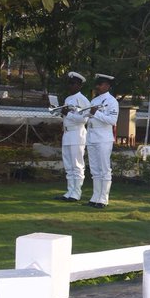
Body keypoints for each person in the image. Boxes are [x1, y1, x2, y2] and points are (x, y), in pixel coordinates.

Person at [85, 73, 120, 209]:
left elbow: (112, 120)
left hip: (103, 138)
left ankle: (103, 199)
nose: (98, 86)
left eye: (100, 84)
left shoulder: (112, 101)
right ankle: (95, 197)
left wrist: (96, 113)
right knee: (94, 169)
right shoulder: (94, 100)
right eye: (97, 84)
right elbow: (89, 117)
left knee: (104, 169)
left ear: (107, 86)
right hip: (92, 136)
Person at [55, 71, 90, 203]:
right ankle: (70, 191)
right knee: (68, 165)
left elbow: (84, 119)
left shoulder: (83, 100)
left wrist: (68, 114)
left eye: (73, 83)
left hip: (77, 133)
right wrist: (60, 112)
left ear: (79, 85)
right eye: (69, 83)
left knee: (77, 165)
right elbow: (67, 116)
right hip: (67, 133)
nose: (70, 86)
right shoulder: (68, 99)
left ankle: (76, 192)